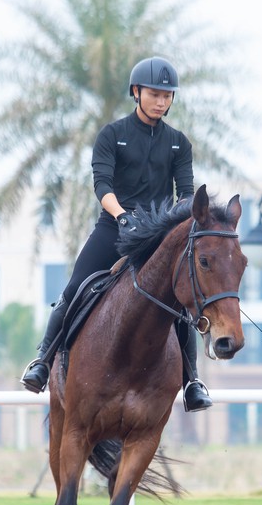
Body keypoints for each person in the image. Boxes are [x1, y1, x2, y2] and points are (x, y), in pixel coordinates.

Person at [19, 56, 213, 412]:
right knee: (74, 288)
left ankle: (193, 381)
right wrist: (122, 215)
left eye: (168, 96)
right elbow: (102, 183)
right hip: (115, 226)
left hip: (158, 233)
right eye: (155, 94)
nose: (161, 101)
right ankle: (42, 361)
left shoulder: (178, 143)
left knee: (181, 303)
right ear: (136, 92)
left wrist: (170, 221)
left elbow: (185, 192)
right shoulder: (112, 135)